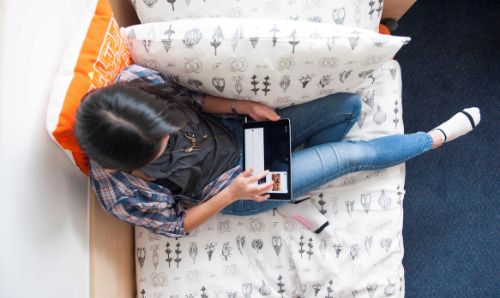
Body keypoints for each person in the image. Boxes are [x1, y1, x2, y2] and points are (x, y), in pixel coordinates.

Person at [75, 65, 481, 238]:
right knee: (347, 157)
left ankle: (295, 193)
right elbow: (177, 225)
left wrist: (240, 106)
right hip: (232, 188)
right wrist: (233, 194)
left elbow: (192, 101)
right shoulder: (119, 189)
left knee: (348, 106)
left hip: (244, 134)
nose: (172, 142)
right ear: (126, 162)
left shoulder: (134, 83)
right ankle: (434, 138)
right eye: (159, 150)